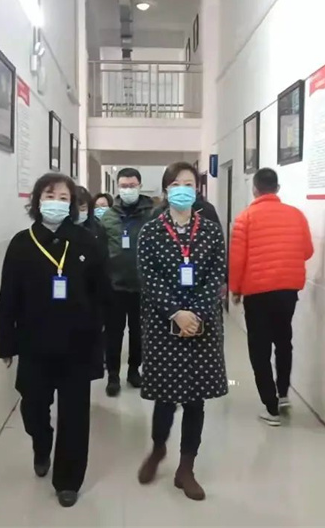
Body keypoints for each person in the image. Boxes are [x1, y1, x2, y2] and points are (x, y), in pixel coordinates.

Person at [0, 173, 109, 508]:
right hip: (34, 343)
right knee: (33, 406)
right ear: (36, 200)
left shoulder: (87, 241)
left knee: (75, 415)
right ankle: (41, 442)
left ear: (72, 204)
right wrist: (6, 344)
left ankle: (68, 481)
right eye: (50, 195)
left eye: (64, 198)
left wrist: (99, 338)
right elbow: (8, 297)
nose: (56, 203)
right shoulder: (22, 243)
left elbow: (103, 294)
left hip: (78, 343)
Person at [136, 162, 227, 501]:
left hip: (201, 325)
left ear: (197, 189)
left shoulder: (211, 230)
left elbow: (216, 273)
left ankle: (186, 467)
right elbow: (148, 276)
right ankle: (158, 448)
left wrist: (195, 314)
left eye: (189, 183)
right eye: (176, 184)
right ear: (166, 190)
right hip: (164, 323)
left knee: (194, 400)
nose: (183, 189)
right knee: (165, 397)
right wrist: (176, 313)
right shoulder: (151, 231)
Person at [229, 168, 313, 426]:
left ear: (255, 189)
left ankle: (271, 407)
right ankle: (283, 393)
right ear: (277, 188)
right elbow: (307, 251)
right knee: (283, 341)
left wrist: (235, 289)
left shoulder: (245, 218)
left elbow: (237, 259)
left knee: (259, 348)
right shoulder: (296, 215)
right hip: (288, 290)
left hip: (257, 293)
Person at [99, 168, 154, 396]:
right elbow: (100, 251)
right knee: (113, 333)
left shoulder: (152, 215)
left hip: (143, 286)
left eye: (132, 185)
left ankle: (134, 370)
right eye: (124, 186)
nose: (128, 189)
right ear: (118, 187)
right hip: (114, 286)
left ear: (140, 186)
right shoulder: (108, 217)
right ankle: (113, 375)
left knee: (139, 333)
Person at [77, 186, 111, 382]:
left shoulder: (97, 231)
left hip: (91, 302)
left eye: (83, 207)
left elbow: (103, 267)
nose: (79, 211)